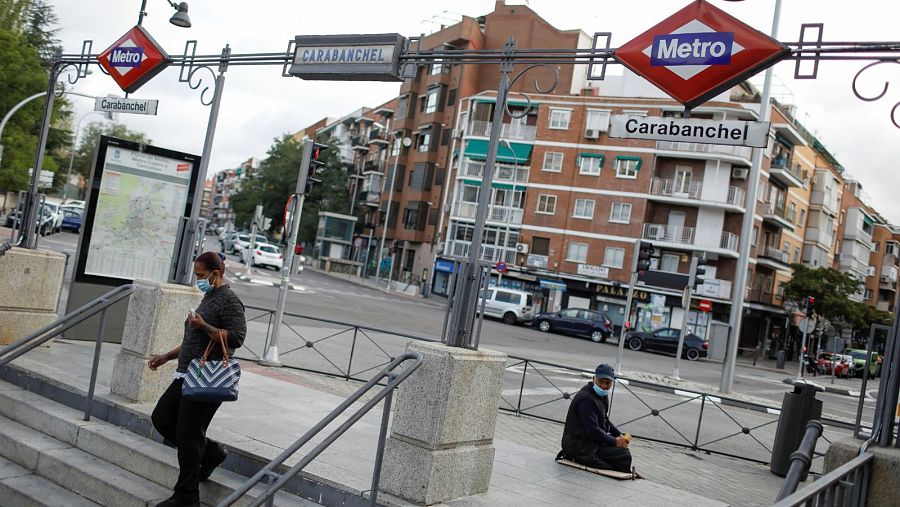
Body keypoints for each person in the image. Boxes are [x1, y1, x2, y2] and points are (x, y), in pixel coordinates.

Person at [148, 251, 247, 507]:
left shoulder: (229, 301)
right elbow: (192, 342)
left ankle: (187, 496)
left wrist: (204, 326)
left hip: (206, 377)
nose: (198, 280)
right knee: (162, 419)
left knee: (188, 434)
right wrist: (166, 356)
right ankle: (211, 452)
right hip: (187, 373)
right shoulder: (209, 296)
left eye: (201, 275)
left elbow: (236, 338)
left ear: (216, 273)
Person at [559, 364, 632, 473]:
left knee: (622, 452)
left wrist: (618, 435)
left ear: (612, 383)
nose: (604, 385)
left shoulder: (602, 396)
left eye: (608, 383)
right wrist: (615, 442)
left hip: (591, 442)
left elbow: (605, 419)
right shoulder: (586, 400)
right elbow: (593, 430)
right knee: (623, 455)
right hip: (580, 447)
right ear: (594, 379)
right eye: (601, 381)